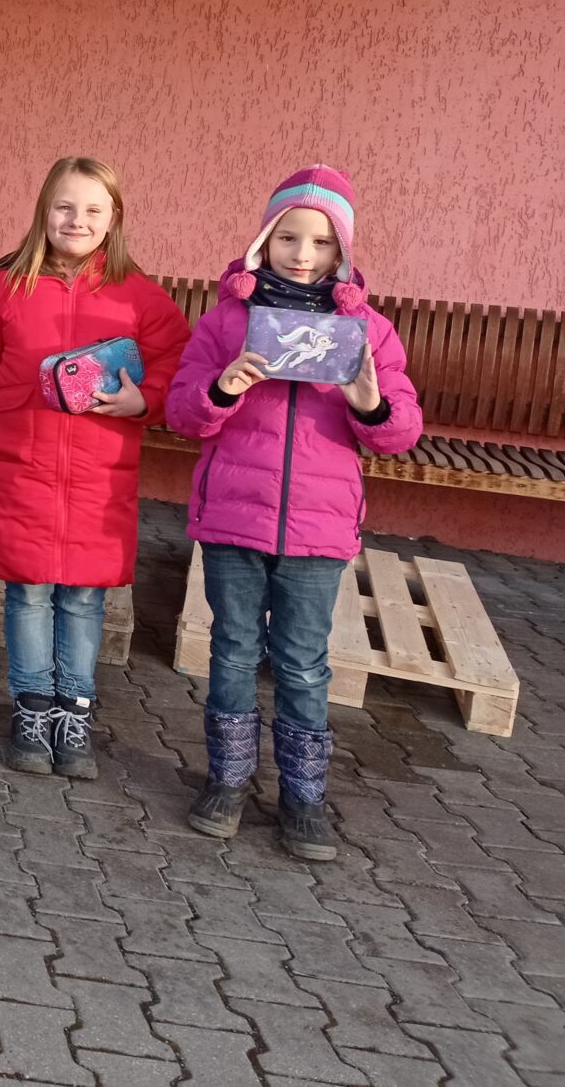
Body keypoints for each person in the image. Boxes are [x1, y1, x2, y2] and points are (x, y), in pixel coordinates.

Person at [166, 166, 421, 862]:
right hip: (234, 520)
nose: (303, 254)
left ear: (343, 251)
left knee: (305, 664)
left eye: (321, 242)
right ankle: (227, 781)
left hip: (318, 528)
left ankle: (303, 796)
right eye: (288, 237)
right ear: (264, 241)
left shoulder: (367, 330)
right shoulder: (227, 321)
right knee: (232, 649)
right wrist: (223, 388)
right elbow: (182, 411)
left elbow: (401, 431)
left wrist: (371, 402)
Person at [0, 156, 189, 781]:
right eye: (64, 206)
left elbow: (176, 362)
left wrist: (146, 401)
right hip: (23, 467)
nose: (76, 220)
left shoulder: (140, 297)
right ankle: (32, 710)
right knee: (29, 591)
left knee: (85, 598)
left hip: (99, 474)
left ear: (114, 218)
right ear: (43, 212)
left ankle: (74, 714)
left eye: (92, 209)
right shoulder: (5, 290)